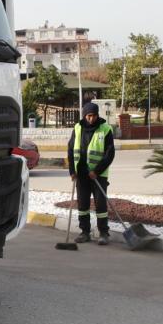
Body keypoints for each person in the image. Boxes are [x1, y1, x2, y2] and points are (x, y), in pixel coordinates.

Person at [67, 102, 115, 245]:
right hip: (81, 173)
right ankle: (85, 232)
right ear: (84, 115)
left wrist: (97, 171)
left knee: (100, 205)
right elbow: (70, 150)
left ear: (97, 115)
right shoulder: (77, 128)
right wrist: (72, 171)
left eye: (94, 116)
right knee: (83, 204)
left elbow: (109, 153)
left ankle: (103, 233)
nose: (91, 119)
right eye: (88, 116)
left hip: (98, 175)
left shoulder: (105, 129)